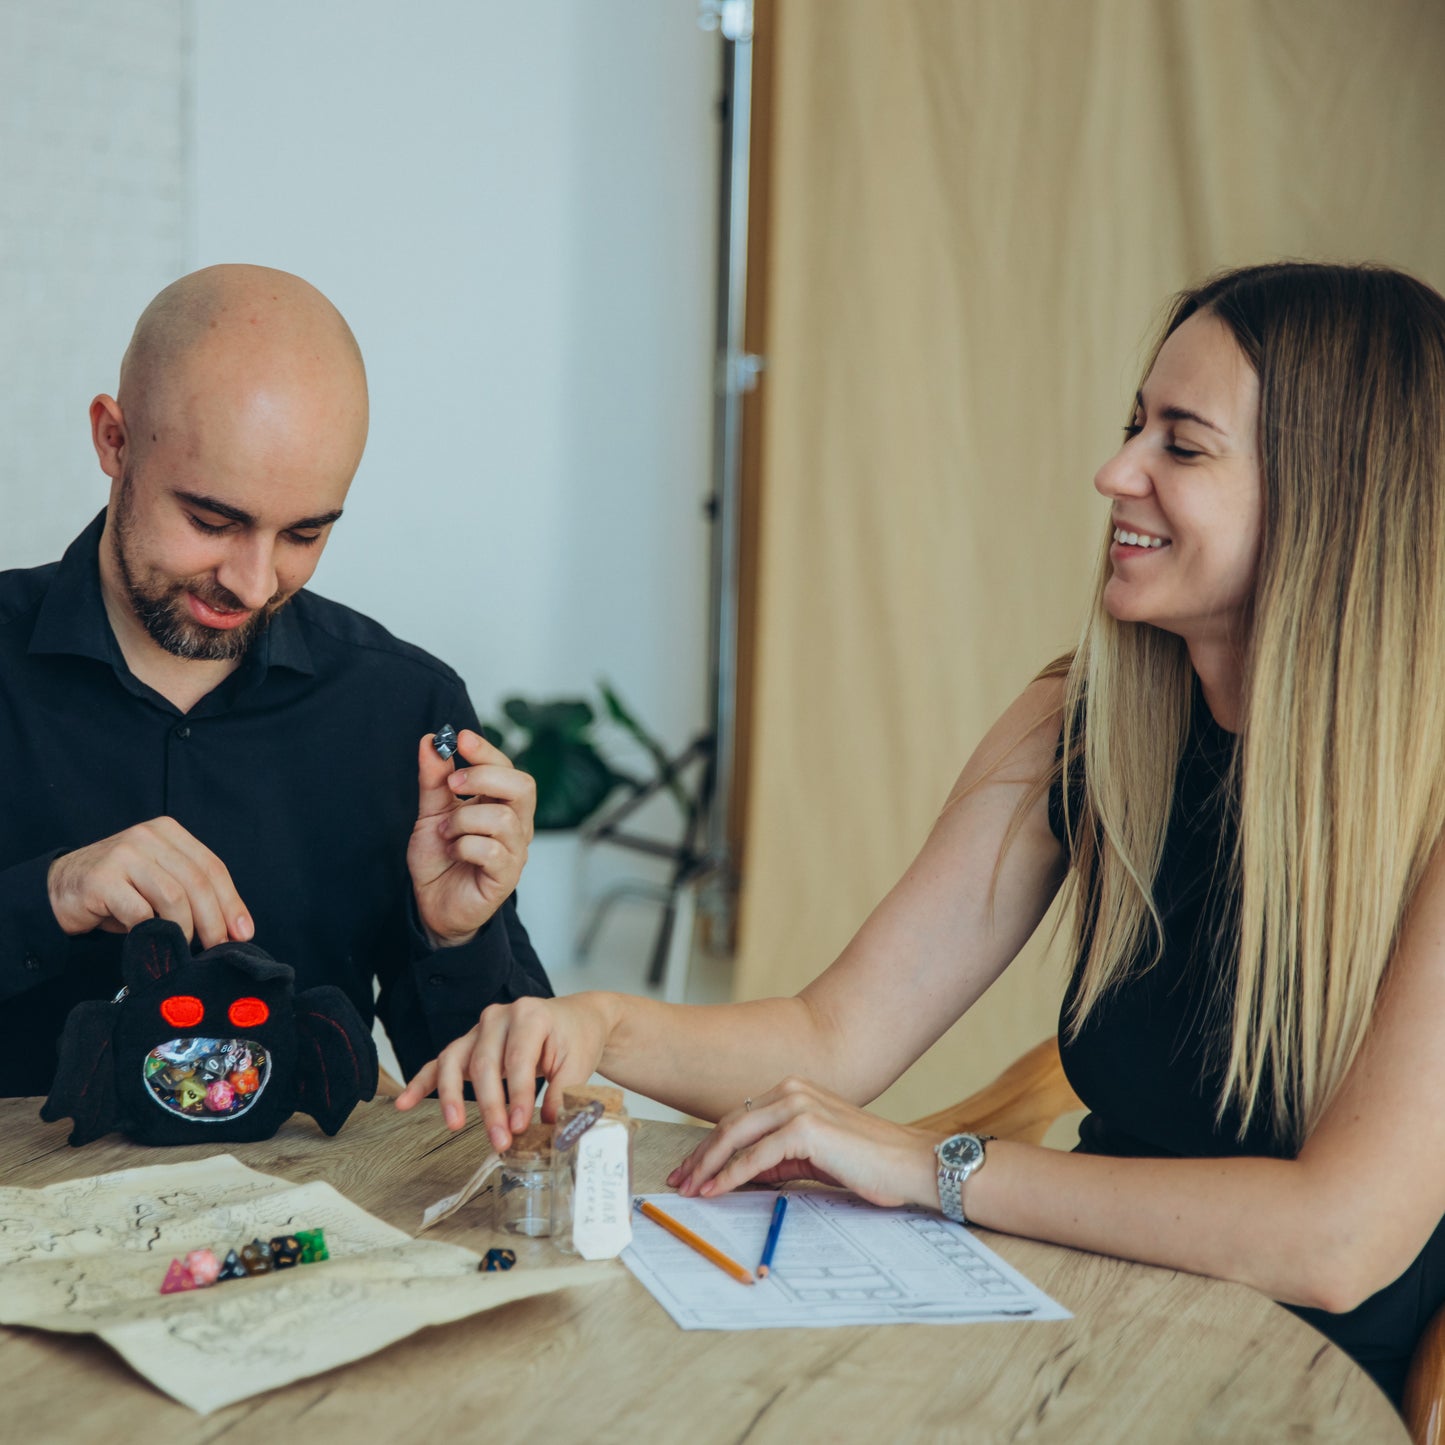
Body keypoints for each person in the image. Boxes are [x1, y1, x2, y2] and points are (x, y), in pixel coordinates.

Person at [399, 260, 1445, 1404]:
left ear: (1333, 498)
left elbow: (1338, 1240)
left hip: (1287, 1394)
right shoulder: (1079, 725)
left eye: (1179, 445)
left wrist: (929, 1165)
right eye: (1131, 426)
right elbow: (832, 1032)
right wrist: (594, 1023)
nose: (1113, 472)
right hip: (1076, 1331)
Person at [0, 264, 551, 1098]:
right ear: (113, 440)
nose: (255, 584)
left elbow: (501, 1119)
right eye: (212, 521)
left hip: (299, 1227)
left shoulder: (400, 709)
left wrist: (456, 939)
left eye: (304, 533)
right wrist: (47, 896)